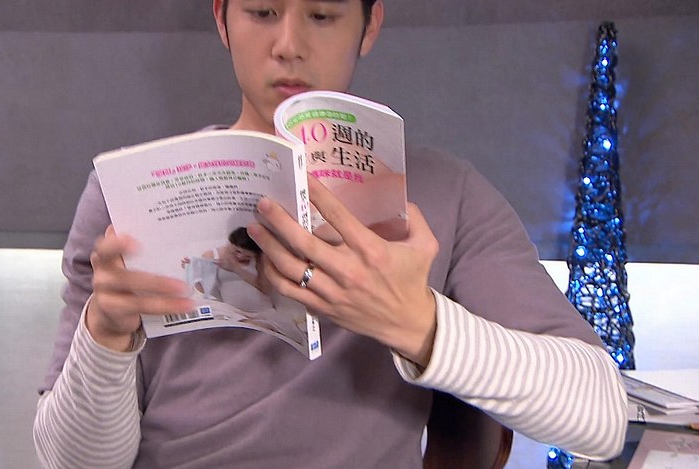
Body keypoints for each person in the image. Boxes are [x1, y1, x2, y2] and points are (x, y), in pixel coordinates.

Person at [34, 1, 628, 467]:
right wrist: (105, 336)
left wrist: (416, 324)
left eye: (322, 15)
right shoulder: (126, 192)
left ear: (369, 26)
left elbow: (602, 416)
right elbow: (71, 462)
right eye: (262, 12)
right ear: (222, 18)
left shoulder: (449, 194)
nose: (288, 45)